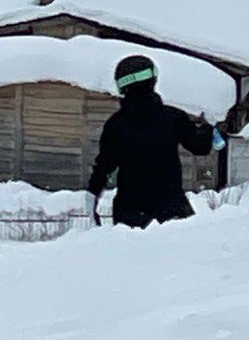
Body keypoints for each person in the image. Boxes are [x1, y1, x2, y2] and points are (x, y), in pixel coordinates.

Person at [87, 55, 215, 229]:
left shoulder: (115, 125)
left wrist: (91, 200)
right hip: (171, 210)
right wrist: (209, 129)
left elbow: (103, 167)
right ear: (153, 80)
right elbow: (200, 147)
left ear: (122, 87)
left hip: (130, 214)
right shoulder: (173, 117)